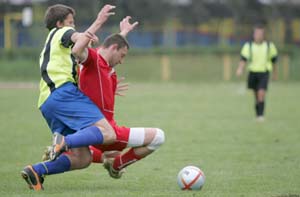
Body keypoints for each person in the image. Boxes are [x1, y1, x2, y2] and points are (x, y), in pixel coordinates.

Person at [21, 4, 118, 190]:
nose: (73, 26)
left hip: (48, 103)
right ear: (59, 23)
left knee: (82, 158)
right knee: (108, 133)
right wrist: (98, 21)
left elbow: (78, 47)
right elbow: (74, 37)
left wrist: (86, 39)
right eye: (71, 22)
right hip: (63, 94)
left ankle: (36, 171)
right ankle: (63, 142)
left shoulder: (52, 45)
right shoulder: (62, 32)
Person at [76, 16, 165, 179]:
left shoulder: (104, 65)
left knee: (113, 151)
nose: (122, 61)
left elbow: (111, 47)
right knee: (158, 137)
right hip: (107, 131)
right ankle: (116, 165)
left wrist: (123, 32)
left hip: (98, 132)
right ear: (114, 48)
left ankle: (69, 149)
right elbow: (82, 52)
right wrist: (95, 25)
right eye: (122, 56)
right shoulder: (94, 61)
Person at [236, 24, 278, 122]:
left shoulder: (269, 46)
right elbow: (243, 59)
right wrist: (240, 69)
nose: (258, 35)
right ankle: (258, 113)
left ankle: (261, 116)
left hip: (264, 72)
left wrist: (275, 73)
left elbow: (274, 60)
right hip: (253, 72)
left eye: (260, 34)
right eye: (257, 33)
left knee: (261, 93)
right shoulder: (249, 46)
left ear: (263, 35)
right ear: (254, 34)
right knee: (256, 95)